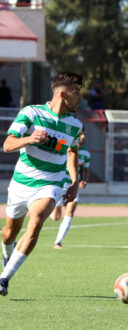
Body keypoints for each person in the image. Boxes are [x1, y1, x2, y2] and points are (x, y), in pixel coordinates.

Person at [0, 72, 83, 296]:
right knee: (8, 233)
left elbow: (72, 151)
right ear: (63, 94)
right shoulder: (31, 113)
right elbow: (7, 145)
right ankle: (7, 254)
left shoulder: (75, 125)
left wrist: (74, 180)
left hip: (51, 183)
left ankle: (4, 278)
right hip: (21, 182)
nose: (81, 98)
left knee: (36, 222)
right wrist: (30, 138)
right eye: (77, 93)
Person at [51, 127, 91, 249]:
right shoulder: (63, 148)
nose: (83, 136)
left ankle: (58, 242)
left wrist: (84, 180)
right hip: (59, 184)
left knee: (70, 212)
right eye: (81, 134)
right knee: (56, 217)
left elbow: (86, 169)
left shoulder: (85, 154)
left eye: (84, 134)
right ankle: (52, 210)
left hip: (73, 185)